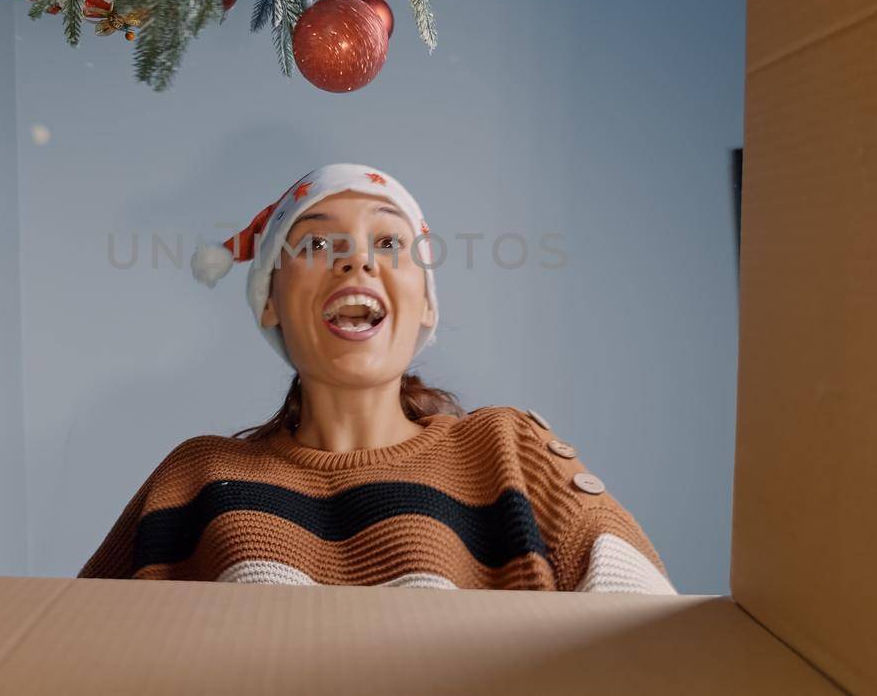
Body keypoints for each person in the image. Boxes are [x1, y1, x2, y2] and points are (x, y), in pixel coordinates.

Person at [78, 163, 676, 592]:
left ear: (426, 304)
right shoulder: (195, 479)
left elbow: (653, 643)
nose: (357, 259)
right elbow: (61, 650)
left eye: (389, 242)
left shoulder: (511, 453)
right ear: (270, 302)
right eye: (315, 242)